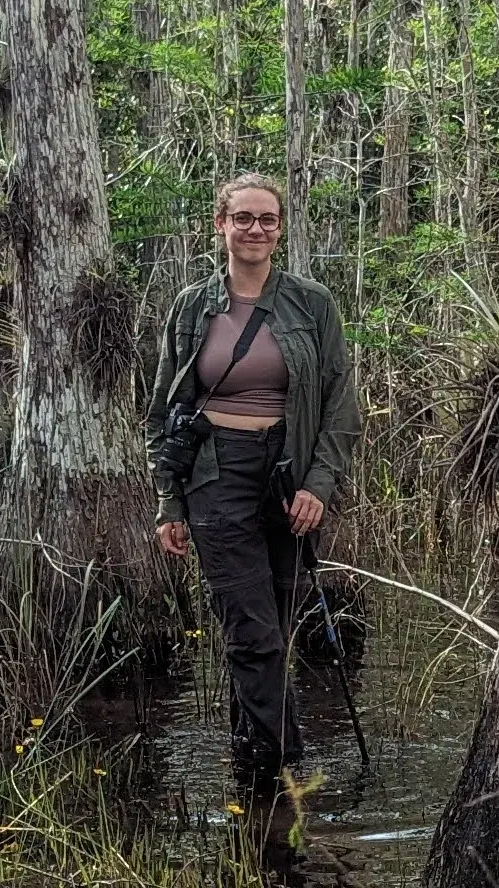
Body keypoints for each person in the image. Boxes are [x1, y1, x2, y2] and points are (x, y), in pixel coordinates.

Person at [150, 172, 358, 801]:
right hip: (216, 473)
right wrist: (169, 500)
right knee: (251, 629)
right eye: (243, 218)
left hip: (288, 475)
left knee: (276, 624)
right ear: (221, 226)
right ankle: (291, 772)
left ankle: (250, 762)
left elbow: (339, 405)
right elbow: (164, 410)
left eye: (266, 219)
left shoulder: (312, 303)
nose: (255, 230)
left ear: (280, 228)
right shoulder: (192, 306)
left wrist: (318, 485)